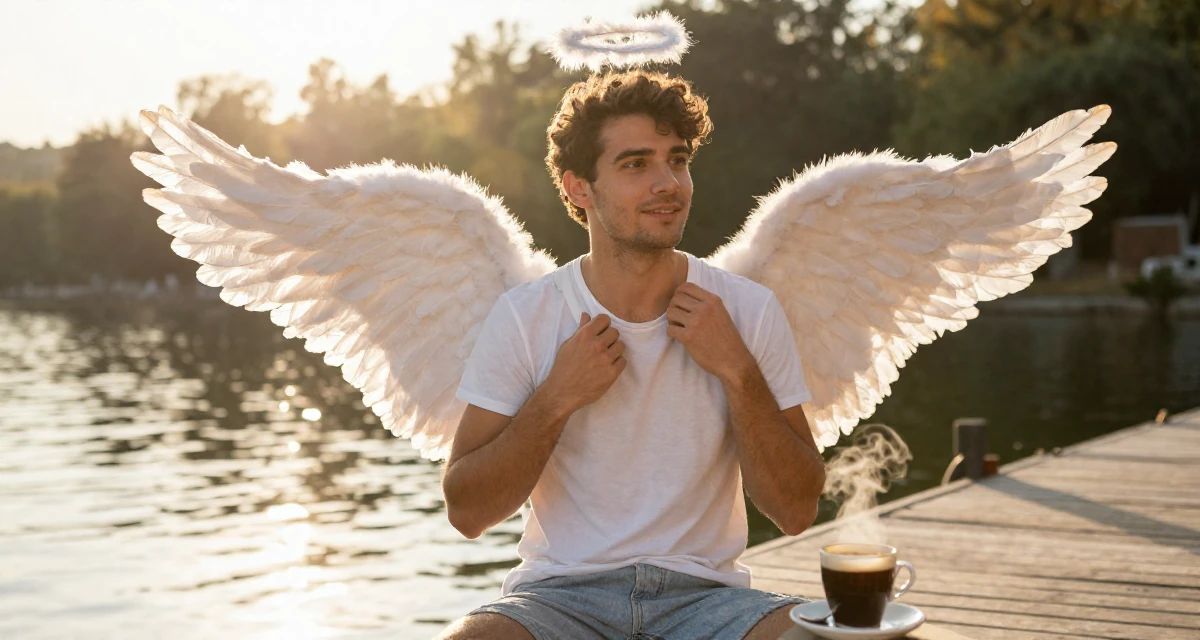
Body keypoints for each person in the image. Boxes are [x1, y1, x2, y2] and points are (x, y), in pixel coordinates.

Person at [436, 69, 826, 640]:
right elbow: (466, 512)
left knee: (832, 636)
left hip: (707, 601)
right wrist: (556, 398)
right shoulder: (527, 316)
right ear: (577, 188)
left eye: (678, 160)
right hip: (559, 599)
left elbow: (796, 511)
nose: (668, 182)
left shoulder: (747, 310)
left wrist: (737, 370)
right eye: (636, 164)